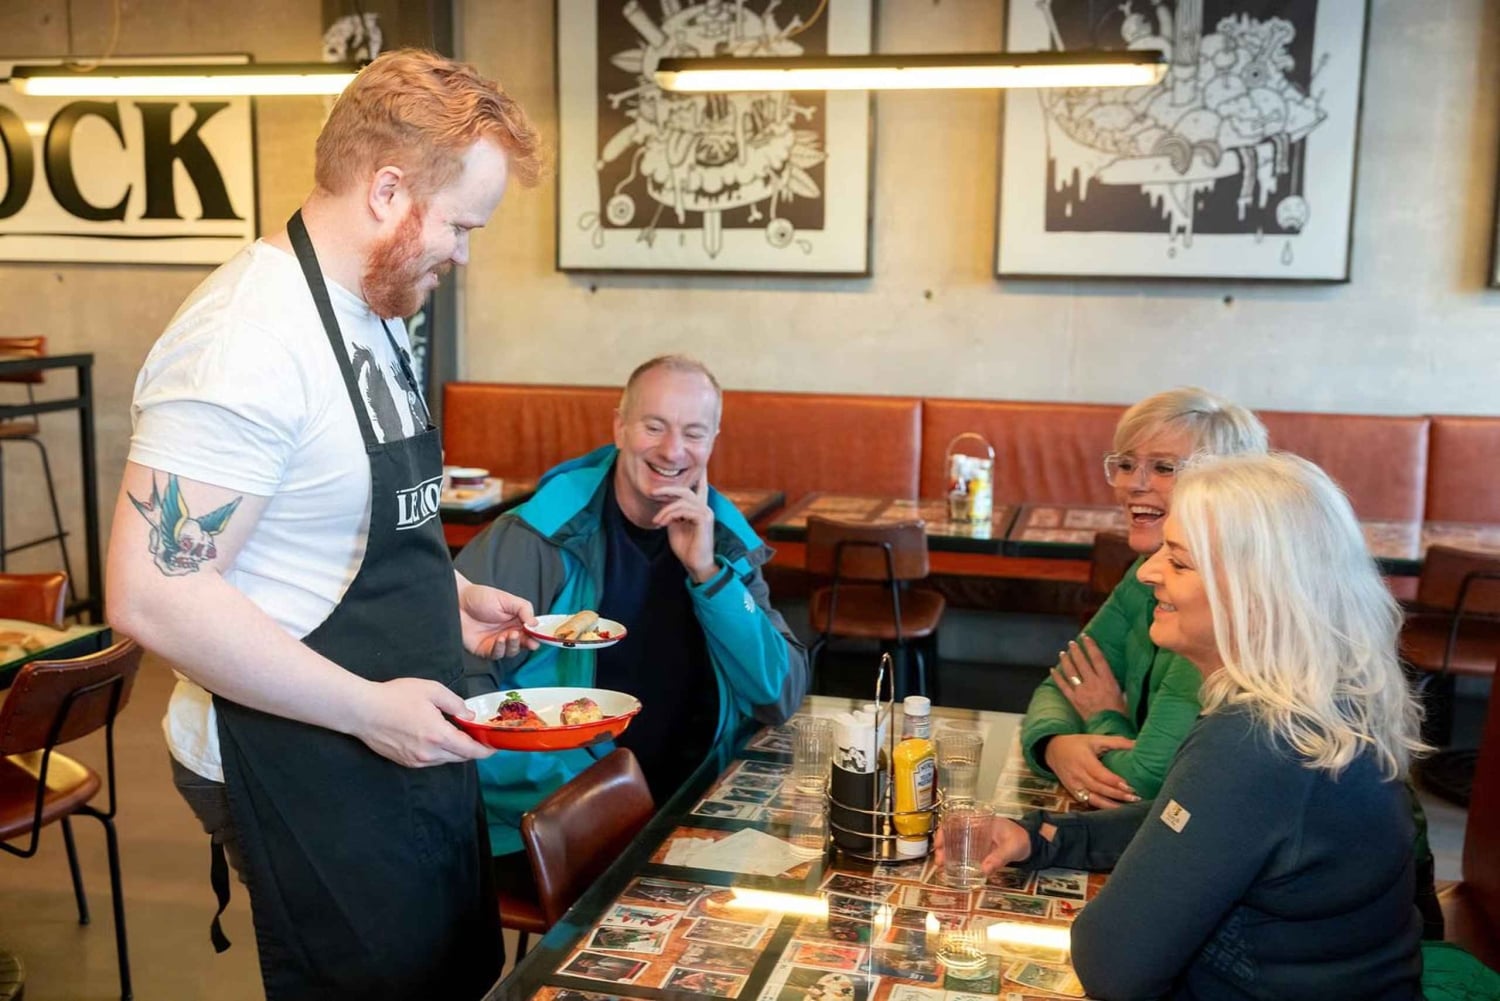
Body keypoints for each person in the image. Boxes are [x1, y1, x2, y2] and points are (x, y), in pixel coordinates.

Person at [105, 50, 543, 1000]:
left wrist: (451, 595)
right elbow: (152, 591)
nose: (464, 254)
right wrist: (369, 709)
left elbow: (336, 514)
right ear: (388, 191)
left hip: (396, 734)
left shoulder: (370, 305)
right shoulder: (244, 340)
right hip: (297, 756)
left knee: (445, 974)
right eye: (461, 225)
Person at [946, 453, 1427, 1000]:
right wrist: (1044, 837)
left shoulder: (1253, 739)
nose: (1148, 572)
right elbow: (1199, 825)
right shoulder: (1319, 700)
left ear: (1253, 595)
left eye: (1177, 562)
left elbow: (1112, 965)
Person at [454, 355, 810, 884]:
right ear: (619, 427)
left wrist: (709, 574)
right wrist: (596, 799)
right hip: (558, 820)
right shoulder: (539, 535)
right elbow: (458, 689)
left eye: (693, 433)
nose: (672, 451)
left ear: (713, 441)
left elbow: (779, 693)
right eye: (654, 426)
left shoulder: (723, 539)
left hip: (694, 810)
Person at [1020, 387, 1267, 807]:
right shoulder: (1144, 571)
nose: (1133, 484)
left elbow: (1145, 780)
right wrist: (1055, 744)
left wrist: (1102, 716)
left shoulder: (1227, 600)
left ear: (1224, 485)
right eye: (1126, 464)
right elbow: (1061, 685)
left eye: (1163, 468)